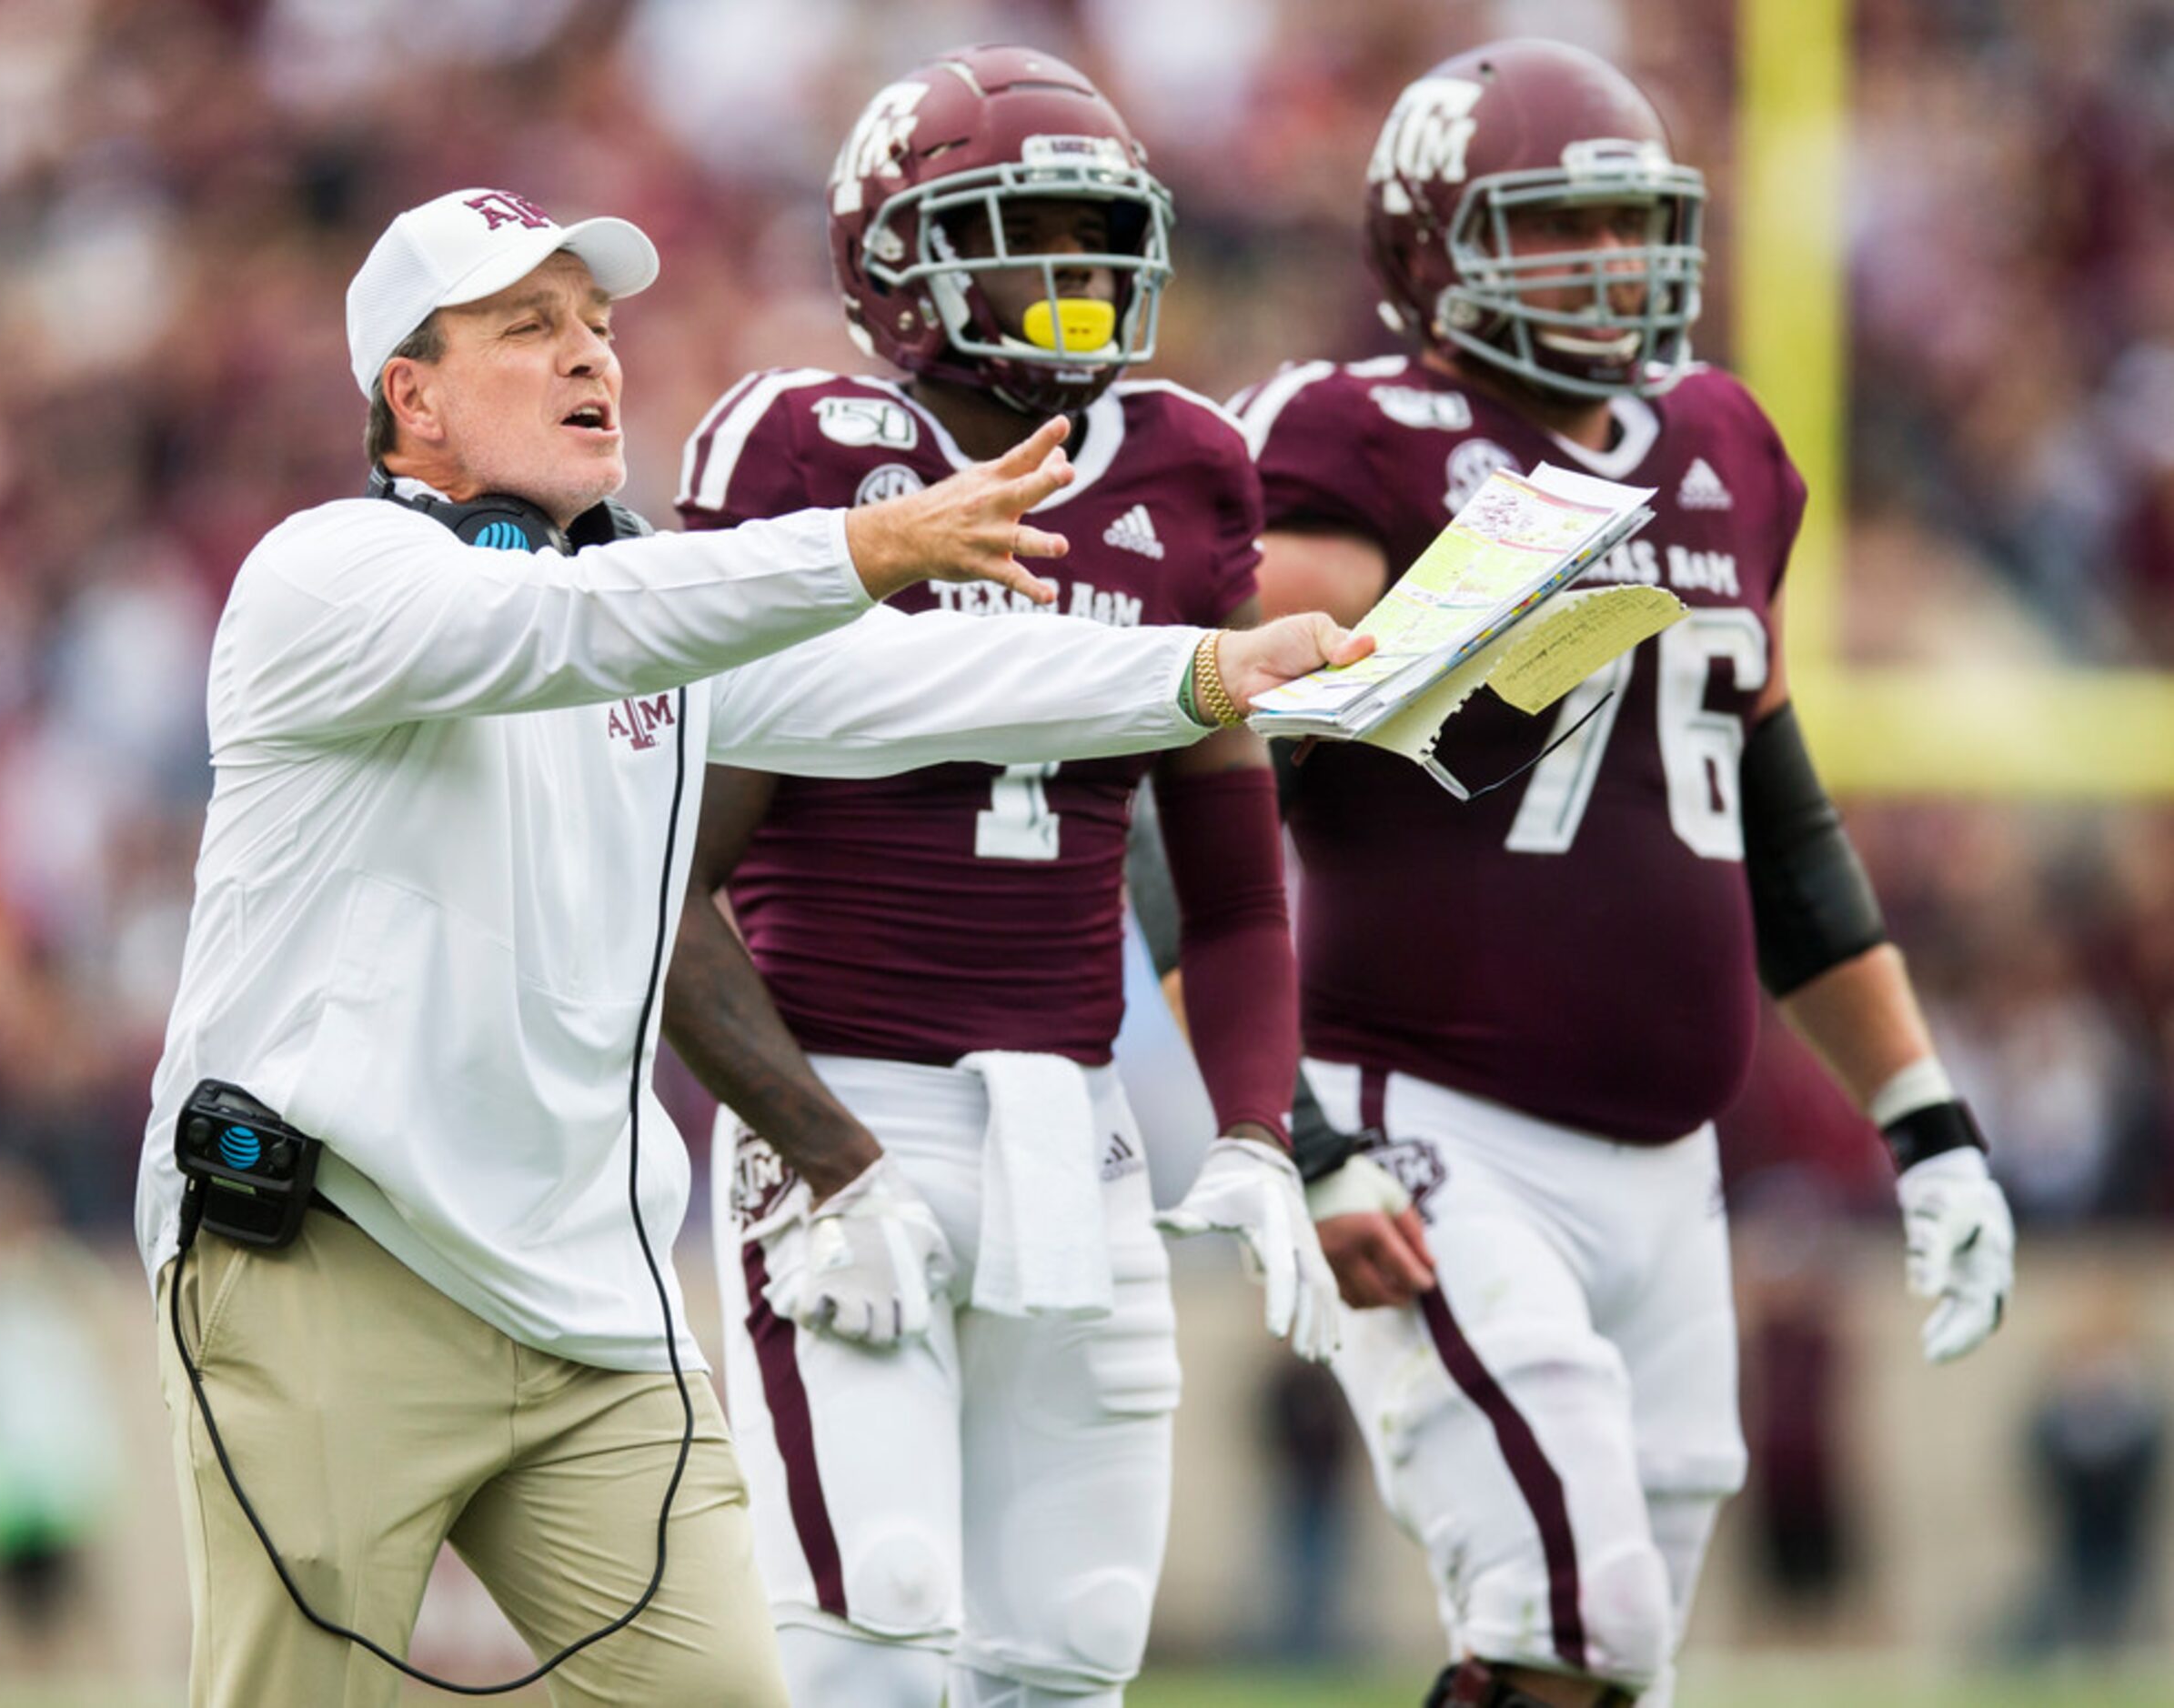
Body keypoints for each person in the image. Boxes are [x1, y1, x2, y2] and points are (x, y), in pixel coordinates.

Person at [132, 185, 1366, 1708]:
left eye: (599, 323)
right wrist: (867, 538)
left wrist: (1207, 667)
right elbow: (569, 630)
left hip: (587, 1310)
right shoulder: (327, 578)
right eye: (530, 327)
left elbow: (936, 684)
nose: (594, 355)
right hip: (336, 1266)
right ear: (412, 395)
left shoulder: (642, 618)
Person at [1235, 40, 2018, 1708]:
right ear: (1429, 251)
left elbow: (1780, 819)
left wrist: (1923, 1116)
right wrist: (1286, 1129)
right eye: (1553, 226)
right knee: (1573, 1613)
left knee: (1611, 1650)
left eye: (1626, 221)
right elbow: (1203, 781)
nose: (1607, 261)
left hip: (1669, 1163)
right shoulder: (1355, 439)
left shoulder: (1721, 442)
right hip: (1426, 1114)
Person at [663, 45, 1337, 1708]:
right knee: (874, 1646)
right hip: (845, 1102)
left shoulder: (1179, 467)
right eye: (1028, 232)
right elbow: (653, 883)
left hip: (1080, 1134)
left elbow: (1231, 882)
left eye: (1100, 237)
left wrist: (1261, 1125)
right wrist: (825, 1156)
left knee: (1070, 1653)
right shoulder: (811, 454)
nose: (1080, 279)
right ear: (896, 261)